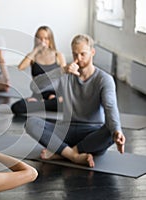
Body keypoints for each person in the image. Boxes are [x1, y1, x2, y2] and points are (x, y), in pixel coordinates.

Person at [25, 34, 126, 167]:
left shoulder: (104, 79)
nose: (78, 59)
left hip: (92, 133)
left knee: (111, 130)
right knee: (31, 123)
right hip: (66, 129)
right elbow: (35, 86)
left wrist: (117, 131)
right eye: (75, 54)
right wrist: (61, 71)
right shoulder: (65, 75)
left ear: (92, 52)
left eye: (83, 54)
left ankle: (64, 152)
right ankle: (73, 155)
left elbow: (110, 107)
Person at [11, 26, 66, 114]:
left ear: (50, 40)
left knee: (67, 104)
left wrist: (63, 96)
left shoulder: (58, 55)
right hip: (38, 94)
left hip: (55, 93)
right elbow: (21, 67)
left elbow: (65, 77)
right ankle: (48, 104)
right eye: (40, 39)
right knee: (17, 107)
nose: (43, 41)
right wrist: (36, 50)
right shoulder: (33, 56)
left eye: (46, 38)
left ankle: (41, 105)